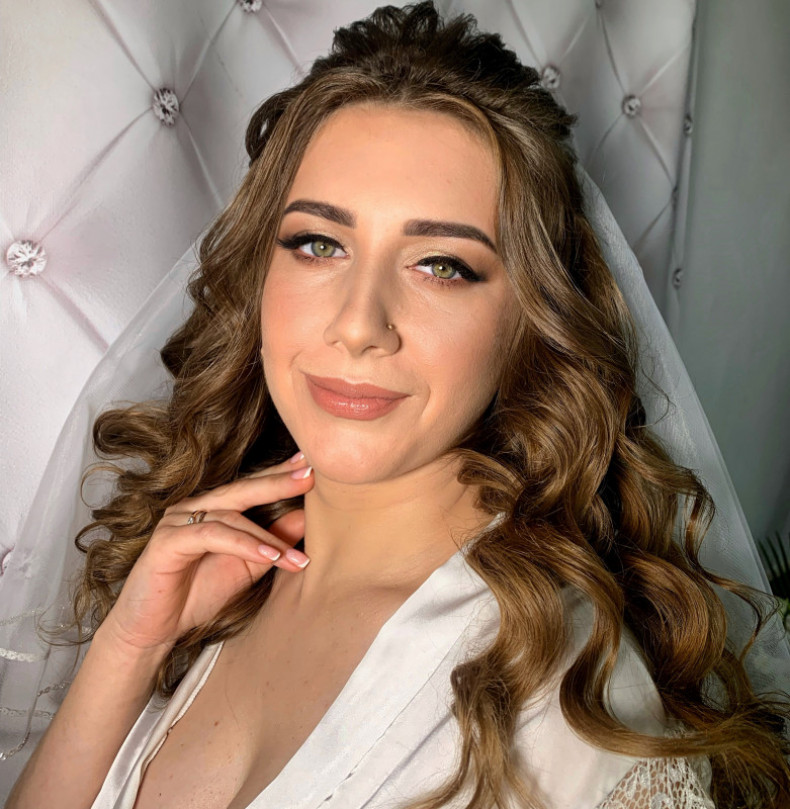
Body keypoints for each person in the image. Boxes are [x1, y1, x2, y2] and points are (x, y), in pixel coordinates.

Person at [6, 3, 790, 808]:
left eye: (441, 265)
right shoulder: (201, 596)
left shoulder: (568, 701)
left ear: (530, 319)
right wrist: (129, 648)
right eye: (319, 244)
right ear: (259, 275)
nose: (358, 324)